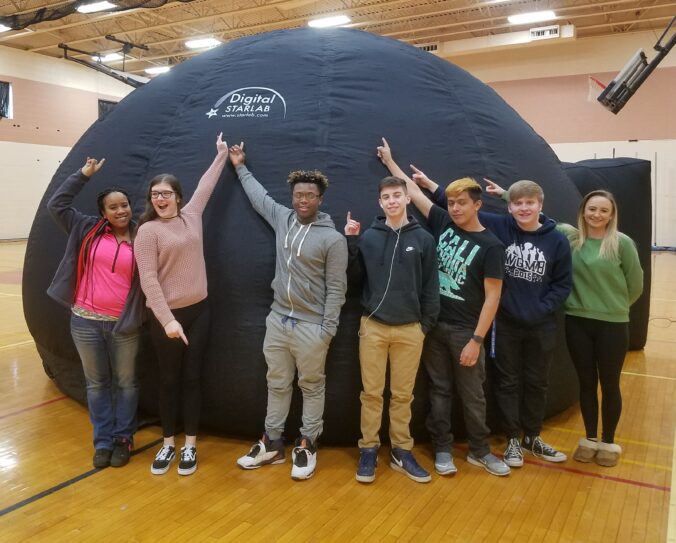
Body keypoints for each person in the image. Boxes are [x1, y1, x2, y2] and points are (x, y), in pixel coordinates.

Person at [413, 170, 572, 468]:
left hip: (487, 328)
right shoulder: (471, 223)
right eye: (517, 203)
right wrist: (408, 172)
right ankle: (473, 444)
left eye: (530, 203)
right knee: (453, 388)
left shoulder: (526, 241)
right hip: (458, 325)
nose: (524, 208)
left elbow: (500, 294)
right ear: (509, 206)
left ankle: (504, 443)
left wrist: (477, 338)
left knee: (506, 387)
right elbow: (441, 199)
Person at [377, 139, 511, 478]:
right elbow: (413, 194)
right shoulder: (443, 224)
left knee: (473, 395)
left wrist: (477, 340)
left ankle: (480, 450)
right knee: (439, 391)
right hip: (435, 326)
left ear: (477, 205)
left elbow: (493, 297)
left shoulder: (492, 246)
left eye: (462, 203)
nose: (454, 208)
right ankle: (441, 448)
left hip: (467, 332)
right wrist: (392, 162)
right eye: (451, 203)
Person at [486, 184, 643, 467]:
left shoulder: (622, 243)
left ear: (611, 215)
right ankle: (581, 439)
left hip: (611, 323)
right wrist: (506, 194)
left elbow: (635, 286)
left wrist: (613, 306)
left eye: (603, 210)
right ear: (583, 211)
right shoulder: (570, 236)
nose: (596, 214)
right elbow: (529, 213)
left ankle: (606, 441)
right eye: (592, 209)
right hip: (576, 322)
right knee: (584, 383)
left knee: (605, 384)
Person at [230, 143, 348, 480]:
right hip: (277, 321)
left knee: (311, 386)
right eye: (298, 195)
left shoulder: (333, 240)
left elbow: (338, 289)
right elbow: (259, 197)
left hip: (312, 328)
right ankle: (272, 443)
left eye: (310, 195)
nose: (303, 200)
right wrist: (239, 166)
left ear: (320, 199)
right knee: (277, 383)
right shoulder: (283, 218)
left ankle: (307, 444)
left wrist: (327, 330)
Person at [134, 133, 228, 476]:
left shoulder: (192, 216)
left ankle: (190, 445)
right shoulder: (147, 232)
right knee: (169, 380)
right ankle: (167, 445)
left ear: (177, 196)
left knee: (192, 379)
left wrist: (220, 155)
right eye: (155, 194)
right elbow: (149, 280)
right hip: (166, 318)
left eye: (166, 193)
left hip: (200, 311)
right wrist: (167, 320)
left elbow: (206, 185)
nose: (160, 199)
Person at [47, 157, 144, 469]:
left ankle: (123, 438)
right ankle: (102, 441)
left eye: (124, 205)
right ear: (103, 212)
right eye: (113, 207)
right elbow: (56, 204)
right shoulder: (86, 227)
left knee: (126, 384)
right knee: (97, 383)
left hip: (124, 327)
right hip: (85, 322)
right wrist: (83, 174)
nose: (120, 211)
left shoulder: (144, 235)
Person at [344, 176, 439, 484]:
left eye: (397, 195)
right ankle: (369, 449)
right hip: (373, 327)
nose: (392, 201)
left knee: (402, 396)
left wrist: (424, 326)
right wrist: (352, 243)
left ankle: (401, 450)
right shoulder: (370, 236)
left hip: (410, 330)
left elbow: (430, 287)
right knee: (371, 394)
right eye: (386, 197)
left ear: (408, 198)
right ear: (380, 202)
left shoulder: (424, 238)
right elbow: (356, 283)